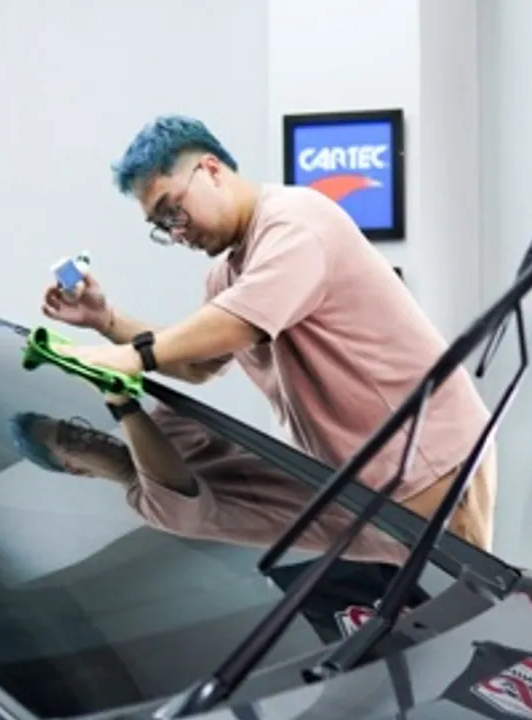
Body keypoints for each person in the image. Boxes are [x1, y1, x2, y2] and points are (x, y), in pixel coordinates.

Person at [41, 114, 497, 554]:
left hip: (435, 467)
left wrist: (133, 358)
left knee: (473, 598)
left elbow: (240, 322)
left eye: (172, 211)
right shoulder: (226, 272)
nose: (176, 233)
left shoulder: (295, 221)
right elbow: (197, 363)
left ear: (211, 171)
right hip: (364, 488)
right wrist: (106, 320)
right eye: (161, 226)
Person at [10, 391, 430, 643]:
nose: (85, 433)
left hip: (392, 499)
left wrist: (113, 334)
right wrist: (124, 406)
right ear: (75, 471)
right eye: (70, 442)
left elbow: (195, 368)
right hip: (383, 547)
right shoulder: (153, 506)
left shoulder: (161, 431)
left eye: (74, 425)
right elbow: (171, 482)